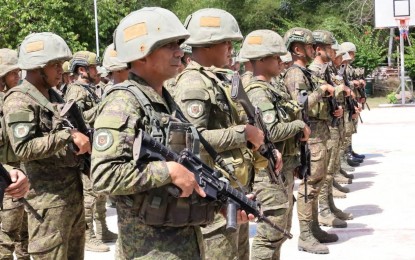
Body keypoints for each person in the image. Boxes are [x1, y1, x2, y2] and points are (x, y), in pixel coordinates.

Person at [91, 7, 253, 259]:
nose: (180, 52)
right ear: (141, 52)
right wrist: (167, 171)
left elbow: (187, 168)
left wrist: (219, 202)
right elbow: (103, 175)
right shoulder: (123, 102)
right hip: (149, 250)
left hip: (184, 242)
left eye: (179, 44)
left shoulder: (166, 101)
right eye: (169, 45)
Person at [174, 8, 265, 260]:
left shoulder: (217, 79)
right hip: (214, 197)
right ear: (206, 44)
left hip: (232, 189)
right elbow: (191, 140)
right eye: (225, 42)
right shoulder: (194, 82)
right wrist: (242, 133)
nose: (229, 47)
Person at [3, 32, 90, 259]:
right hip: (48, 205)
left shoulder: (54, 95)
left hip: (72, 198)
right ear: (37, 67)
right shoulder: (19, 99)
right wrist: (67, 137)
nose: (61, 69)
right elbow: (24, 148)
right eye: (55, 65)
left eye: (61, 64)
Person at [239, 29, 310, 260]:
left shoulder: (270, 87)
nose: (281, 62)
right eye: (275, 57)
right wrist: (299, 125)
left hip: (280, 170)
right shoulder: (258, 91)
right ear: (260, 60)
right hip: (268, 174)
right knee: (269, 235)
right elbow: (270, 131)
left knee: (279, 232)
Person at [284, 27, 340, 254]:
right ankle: (305, 234)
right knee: (309, 184)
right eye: (308, 47)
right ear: (297, 49)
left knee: (316, 183)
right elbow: (299, 105)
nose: (313, 50)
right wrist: (322, 91)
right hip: (310, 137)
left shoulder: (305, 72)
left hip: (319, 134)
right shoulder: (295, 74)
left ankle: (314, 227)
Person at [65, 50, 116, 252]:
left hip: (97, 147)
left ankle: (102, 229)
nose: (97, 71)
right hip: (86, 150)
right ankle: (88, 235)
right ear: (82, 70)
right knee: (89, 195)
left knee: (100, 193)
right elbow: (77, 119)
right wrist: (102, 107)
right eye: (94, 67)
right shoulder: (76, 91)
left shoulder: (90, 89)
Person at [306, 30, 349, 229]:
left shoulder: (324, 69)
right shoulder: (313, 71)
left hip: (329, 124)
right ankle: (323, 210)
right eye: (330, 47)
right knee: (321, 173)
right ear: (319, 49)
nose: (333, 51)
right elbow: (308, 102)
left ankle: (328, 206)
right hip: (319, 129)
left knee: (329, 170)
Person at [0, 48, 30, 260]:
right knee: (7, 234)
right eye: (13, 73)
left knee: (25, 231)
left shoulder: (12, 100)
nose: (17, 77)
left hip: (21, 173)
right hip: (7, 178)